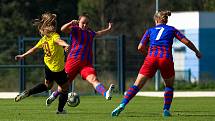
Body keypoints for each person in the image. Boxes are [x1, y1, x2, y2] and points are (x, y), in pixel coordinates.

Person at [111, 10, 202, 117]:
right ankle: (166, 110)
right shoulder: (172, 29)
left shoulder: (150, 30)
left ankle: (122, 104)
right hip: (165, 58)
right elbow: (186, 41)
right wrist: (196, 51)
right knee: (169, 86)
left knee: (136, 85)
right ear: (165, 20)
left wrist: (149, 55)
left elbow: (140, 47)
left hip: (151, 58)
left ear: (156, 20)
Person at [46, 13, 115, 105]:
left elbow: (99, 33)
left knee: (94, 79)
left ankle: (106, 93)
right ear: (78, 22)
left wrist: (109, 29)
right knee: (63, 86)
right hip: (72, 62)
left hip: (86, 64)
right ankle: (54, 95)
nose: (85, 25)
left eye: (87, 23)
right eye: (83, 23)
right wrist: (71, 23)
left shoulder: (90, 32)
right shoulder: (75, 29)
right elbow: (63, 29)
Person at [14, 12, 70, 114]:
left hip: (47, 67)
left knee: (47, 86)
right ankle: (60, 110)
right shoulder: (54, 36)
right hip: (57, 69)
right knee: (65, 88)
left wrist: (22, 56)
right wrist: (66, 45)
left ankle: (28, 93)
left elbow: (33, 49)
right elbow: (59, 41)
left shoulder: (44, 39)